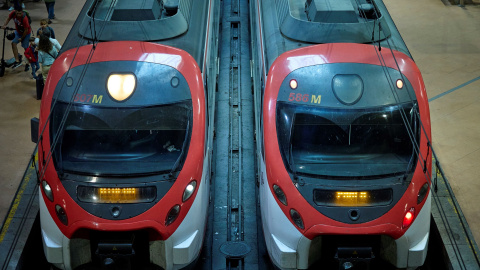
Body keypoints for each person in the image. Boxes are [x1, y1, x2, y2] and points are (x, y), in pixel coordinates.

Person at [1, 4, 31, 69]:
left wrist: (22, 38)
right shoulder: (13, 13)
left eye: (20, 13)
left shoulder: (24, 18)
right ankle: (17, 60)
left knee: (26, 48)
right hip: (18, 32)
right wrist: (4, 25)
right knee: (13, 43)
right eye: (17, 13)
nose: (18, 15)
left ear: (22, 12)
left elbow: (26, 30)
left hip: (26, 33)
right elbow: (8, 18)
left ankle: (28, 63)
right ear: (15, 11)